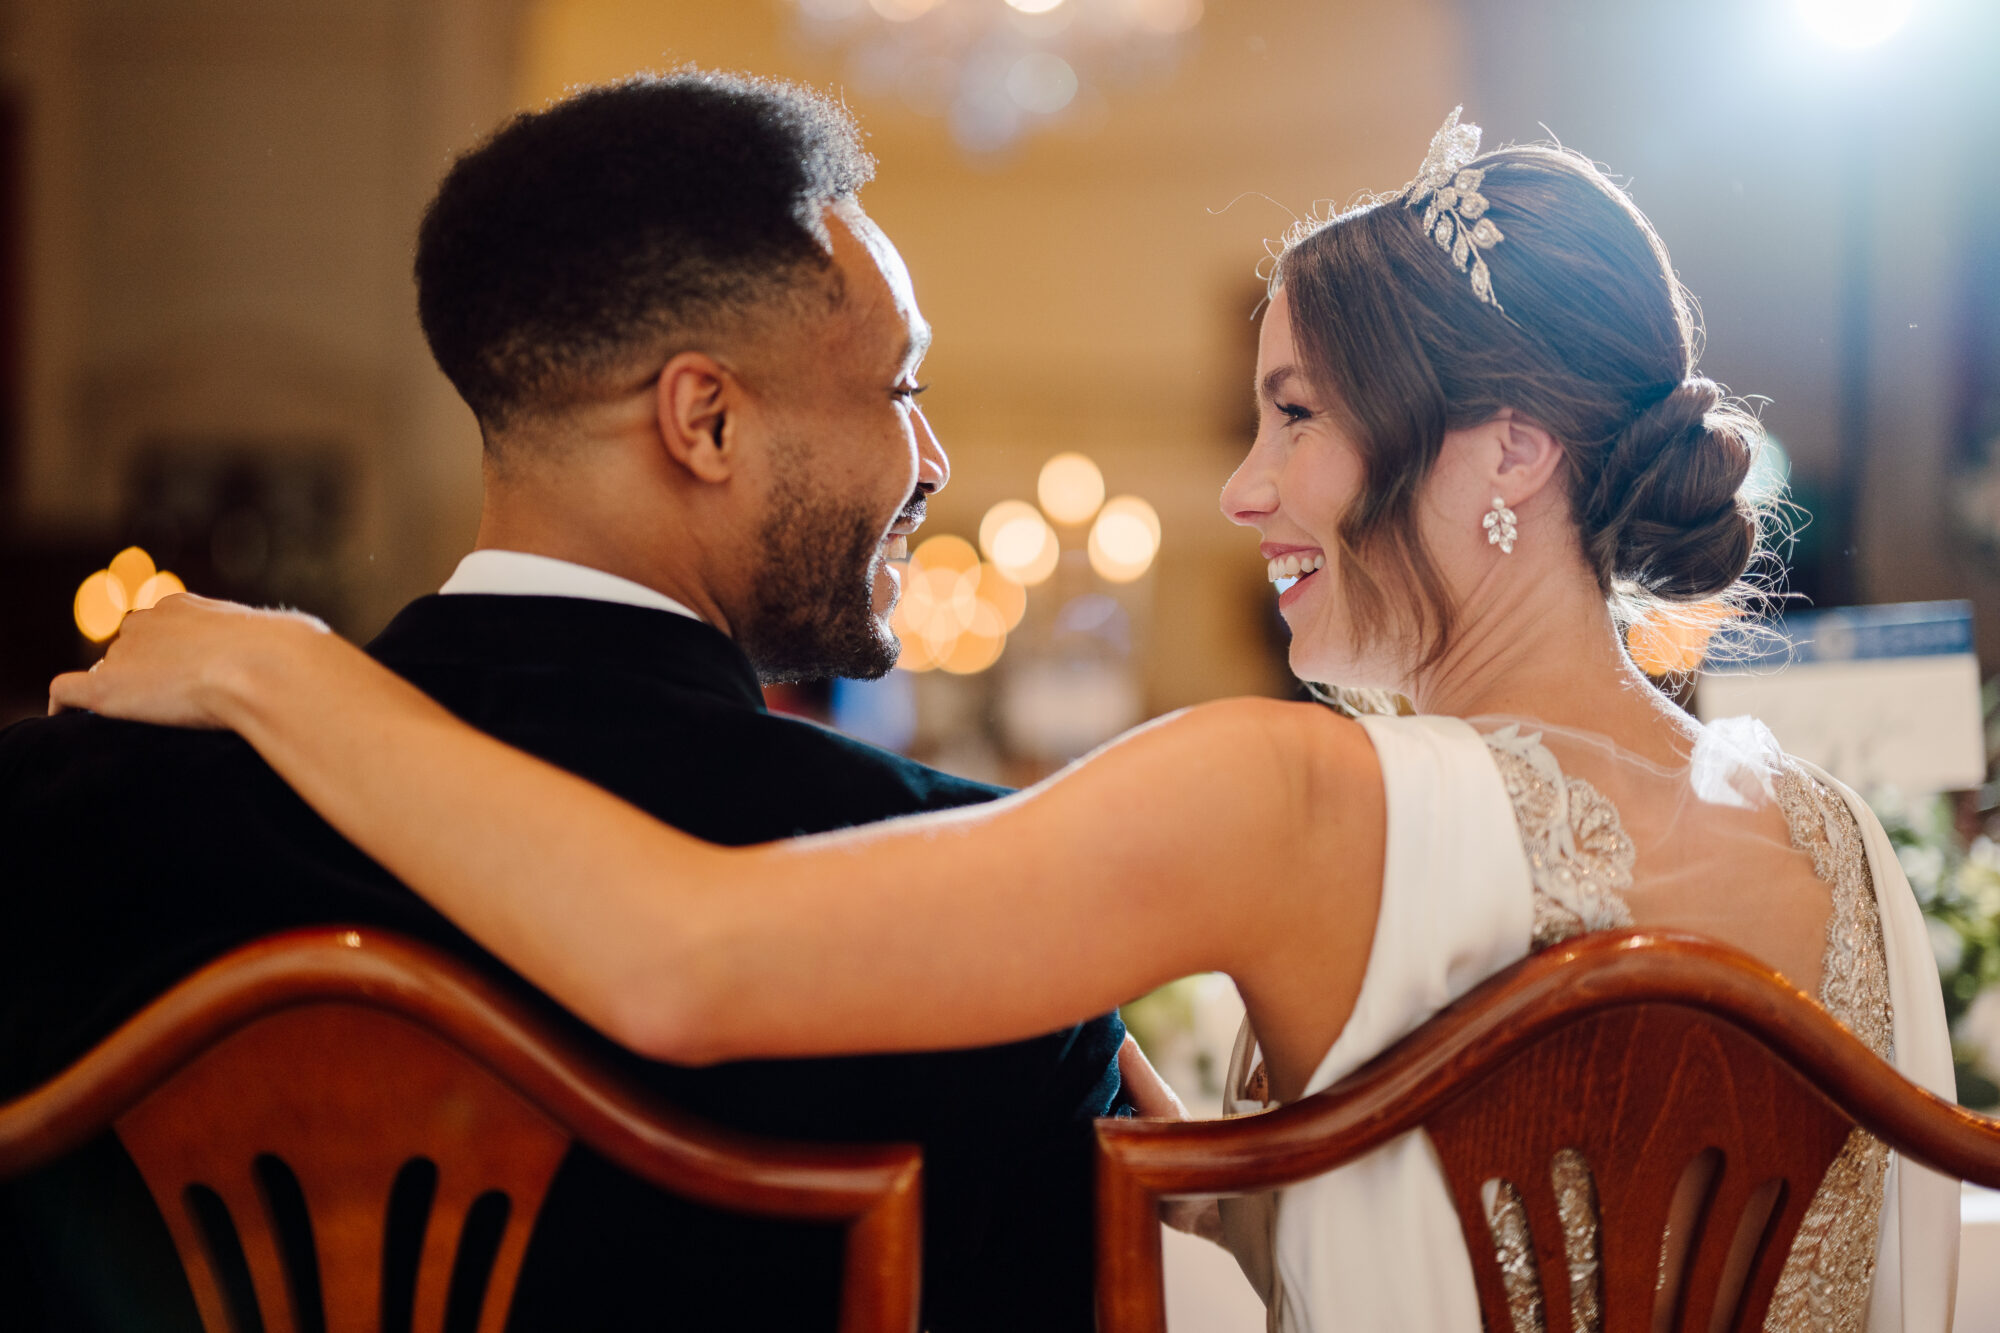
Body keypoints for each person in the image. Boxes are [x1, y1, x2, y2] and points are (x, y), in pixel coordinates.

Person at [54, 110, 1961, 1331]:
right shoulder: (1851, 853)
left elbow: (685, 956)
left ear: (1508, 457)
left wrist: (270, 664)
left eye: (1292, 414)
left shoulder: (1293, 798)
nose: (1241, 489)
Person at [1, 70, 1151, 1333]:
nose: (927, 460)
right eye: (900, 390)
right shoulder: (968, 912)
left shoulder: (50, 818)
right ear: (703, 420)